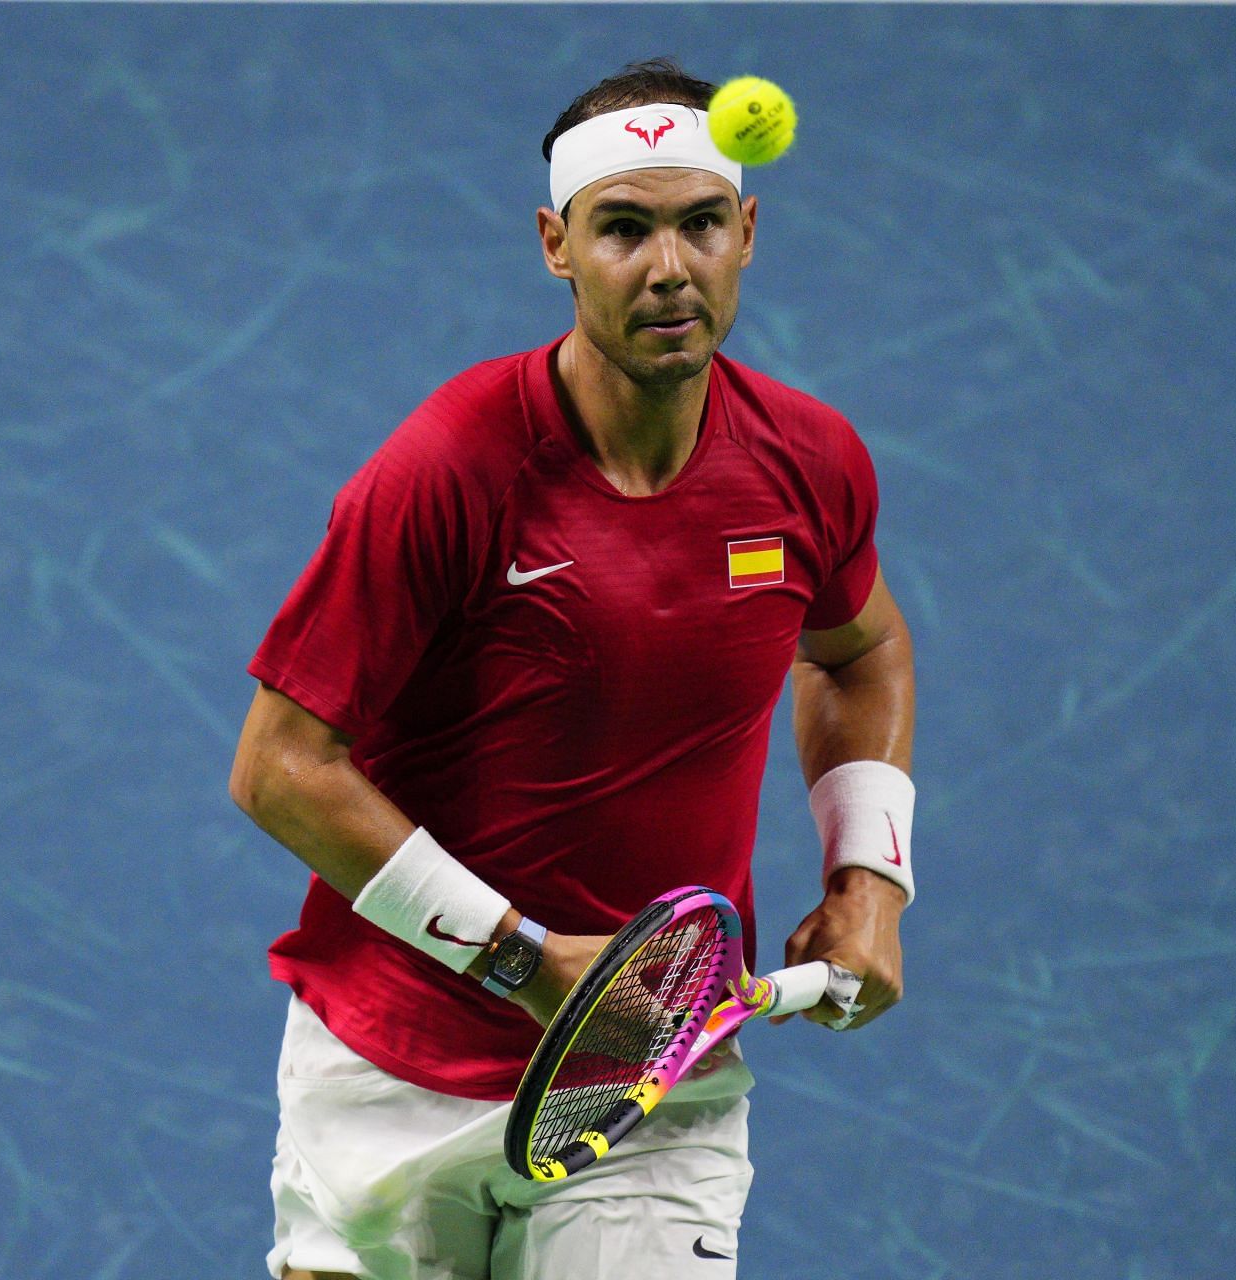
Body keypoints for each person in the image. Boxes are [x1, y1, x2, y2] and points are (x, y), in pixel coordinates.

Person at [228, 56, 917, 1280]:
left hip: (652, 1069)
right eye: (624, 230)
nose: (669, 268)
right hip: (388, 1066)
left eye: (702, 223)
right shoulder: (450, 469)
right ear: (556, 245)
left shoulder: (810, 462)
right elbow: (280, 767)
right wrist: (520, 957)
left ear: (747, 231)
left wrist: (869, 881)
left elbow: (860, 652)